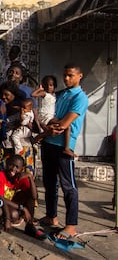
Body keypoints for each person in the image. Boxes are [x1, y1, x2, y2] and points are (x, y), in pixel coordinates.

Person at [39, 64, 88, 240]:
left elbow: (63, 125)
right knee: (50, 183)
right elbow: (47, 117)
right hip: (48, 143)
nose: (66, 79)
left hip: (63, 147)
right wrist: (52, 124)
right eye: (64, 75)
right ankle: (51, 217)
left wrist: (56, 123)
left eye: (70, 75)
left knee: (69, 186)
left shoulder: (80, 98)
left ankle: (71, 226)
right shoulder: (60, 94)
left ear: (79, 76)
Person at [0, 155, 46, 240]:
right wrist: (22, 209)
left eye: (17, 167)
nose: (13, 169)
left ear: (21, 169)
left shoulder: (20, 177)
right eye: (11, 165)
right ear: (6, 164)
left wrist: (30, 178)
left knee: (28, 196)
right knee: (13, 215)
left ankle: (30, 227)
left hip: (7, 203)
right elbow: (0, 198)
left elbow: (34, 197)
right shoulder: (0, 175)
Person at [0, 81, 35, 175]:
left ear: (14, 95)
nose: (3, 97)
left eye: (7, 94)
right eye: (2, 94)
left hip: (23, 146)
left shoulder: (22, 108)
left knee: (24, 176)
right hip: (8, 146)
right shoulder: (2, 108)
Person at [32, 75, 73, 156]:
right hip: (46, 117)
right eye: (46, 85)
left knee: (49, 132)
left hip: (50, 117)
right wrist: (39, 89)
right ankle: (67, 148)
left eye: (51, 85)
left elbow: (63, 91)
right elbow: (33, 94)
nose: (49, 87)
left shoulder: (54, 94)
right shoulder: (44, 93)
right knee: (67, 126)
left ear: (54, 86)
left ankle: (37, 139)